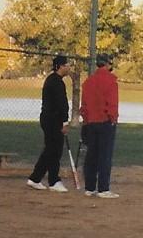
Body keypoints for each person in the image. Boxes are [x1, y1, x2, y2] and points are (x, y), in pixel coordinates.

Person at [27, 55, 71, 193]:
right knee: (55, 150)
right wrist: (64, 122)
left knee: (50, 149)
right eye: (67, 65)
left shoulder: (52, 80)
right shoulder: (57, 82)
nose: (69, 67)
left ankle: (36, 178)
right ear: (60, 66)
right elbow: (61, 104)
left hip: (48, 118)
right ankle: (53, 181)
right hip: (53, 120)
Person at [79, 54, 120, 198]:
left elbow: (84, 105)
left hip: (91, 122)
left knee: (91, 155)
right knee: (105, 155)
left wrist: (86, 120)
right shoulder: (111, 81)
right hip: (105, 121)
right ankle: (103, 188)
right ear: (108, 64)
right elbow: (112, 103)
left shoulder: (88, 82)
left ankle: (89, 187)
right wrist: (113, 119)